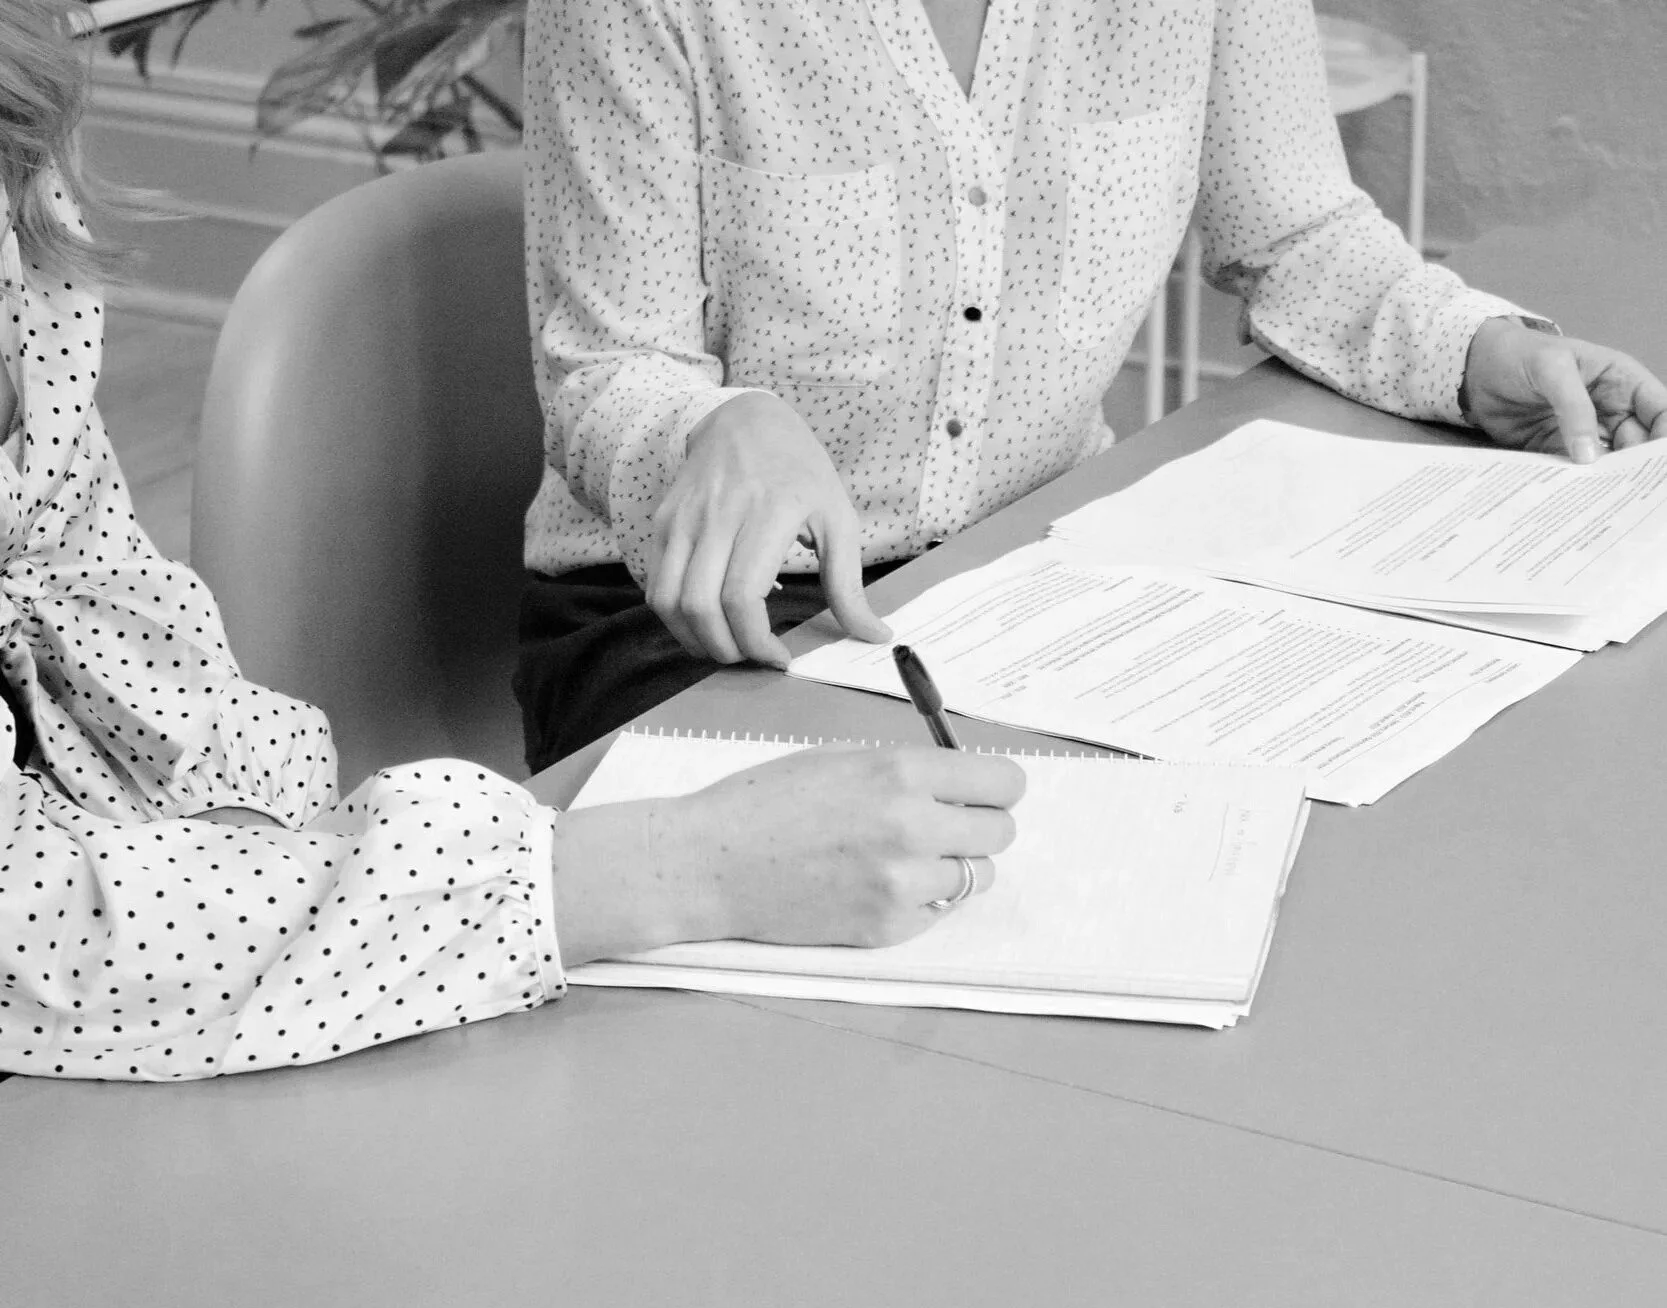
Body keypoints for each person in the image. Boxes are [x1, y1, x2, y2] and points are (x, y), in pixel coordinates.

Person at [0, 0, 1023, 1082]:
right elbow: (40, 932)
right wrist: (680, 867)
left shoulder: (27, 164)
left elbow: (101, 598)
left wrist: (267, 851)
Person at [517, 0, 1667, 768]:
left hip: (1032, 577)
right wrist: (715, 425)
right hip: (699, 618)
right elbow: (607, 364)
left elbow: (1296, 232)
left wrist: (1471, 351)